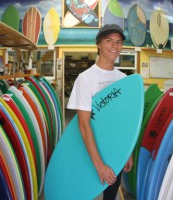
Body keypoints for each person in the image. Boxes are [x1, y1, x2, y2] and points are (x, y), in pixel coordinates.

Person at [67, 24, 133, 199]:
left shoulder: (123, 79)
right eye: (109, 41)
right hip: (91, 151)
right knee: (85, 194)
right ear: (98, 44)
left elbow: (125, 121)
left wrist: (128, 152)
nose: (114, 46)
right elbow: (83, 124)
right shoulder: (86, 79)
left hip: (116, 149)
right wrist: (98, 165)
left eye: (118, 42)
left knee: (110, 196)